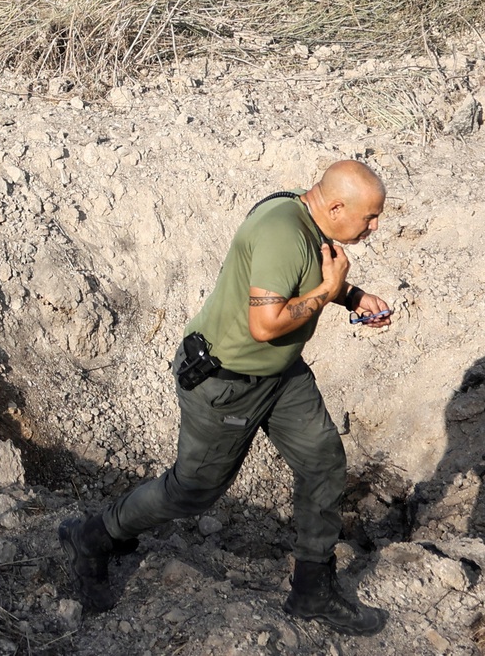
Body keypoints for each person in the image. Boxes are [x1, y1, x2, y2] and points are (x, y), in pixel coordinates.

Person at [60, 159, 394, 633]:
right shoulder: (283, 233)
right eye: (370, 217)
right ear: (336, 205)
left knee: (323, 460)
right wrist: (330, 289)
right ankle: (92, 536)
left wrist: (351, 296)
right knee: (192, 491)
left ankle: (312, 591)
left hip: (281, 376)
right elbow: (266, 324)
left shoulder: (313, 214)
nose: (375, 227)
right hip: (227, 383)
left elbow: (303, 280)